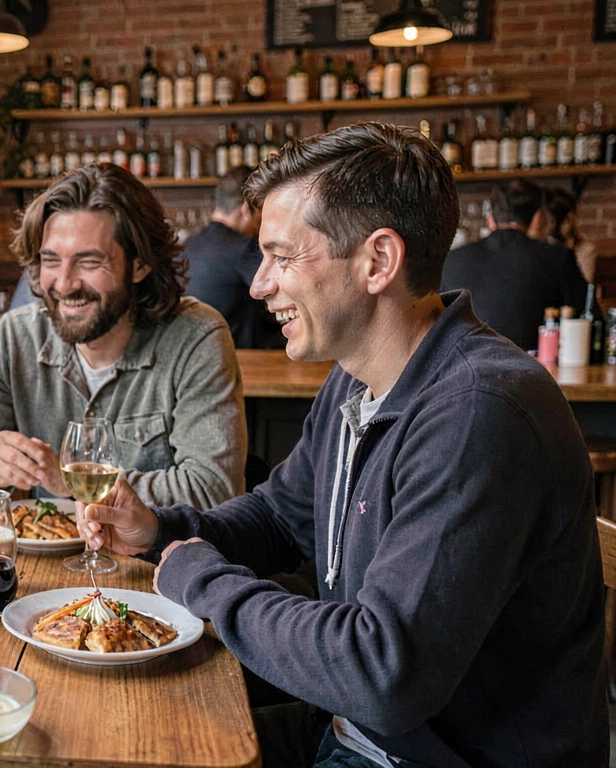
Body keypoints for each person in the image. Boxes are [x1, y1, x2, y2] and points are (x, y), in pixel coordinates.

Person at [81, 124, 605, 767]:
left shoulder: (480, 410)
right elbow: (280, 515)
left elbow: (383, 672)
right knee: (119, 742)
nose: (258, 284)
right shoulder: (356, 381)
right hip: (353, 730)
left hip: (423, 755)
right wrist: (161, 530)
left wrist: (204, 582)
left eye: (282, 256)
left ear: (377, 262)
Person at [0, 162, 246, 509]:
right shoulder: (15, 336)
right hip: (39, 560)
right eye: (51, 261)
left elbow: (213, 490)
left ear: (140, 265)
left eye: (89, 262)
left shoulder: (197, 338)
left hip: (154, 561)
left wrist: (78, 480)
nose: (64, 283)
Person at [440, 179, 587, 351]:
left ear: (491, 218)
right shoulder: (558, 257)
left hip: (463, 371)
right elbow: (588, 317)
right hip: (539, 372)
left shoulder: (453, 259)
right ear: (538, 218)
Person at [183, 165, 272, 349]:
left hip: (193, 362)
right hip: (242, 362)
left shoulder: (185, 247)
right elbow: (282, 292)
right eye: (261, 213)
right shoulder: (243, 248)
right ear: (246, 210)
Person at [545, 187, 600, 284]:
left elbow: (582, 288)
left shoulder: (586, 250)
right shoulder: (537, 248)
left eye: (568, 218)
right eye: (562, 219)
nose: (567, 223)